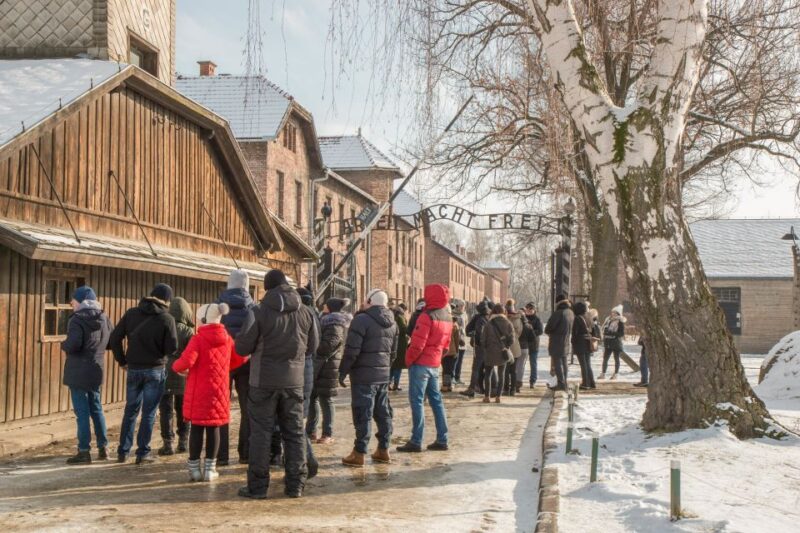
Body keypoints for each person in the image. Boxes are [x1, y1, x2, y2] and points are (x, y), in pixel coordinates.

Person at [235, 269, 318, 500]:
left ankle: (258, 487)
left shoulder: (258, 311)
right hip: (294, 382)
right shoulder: (306, 311)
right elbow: (312, 347)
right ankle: (295, 485)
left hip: (263, 382)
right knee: (294, 433)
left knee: (260, 434)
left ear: (267, 287)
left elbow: (242, 348)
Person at [172, 303, 248, 482]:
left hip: (199, 390)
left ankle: (194, 469)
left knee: (197, 428)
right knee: (214, 428)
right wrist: (224, 368)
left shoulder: (198, 339)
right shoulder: (227, 338)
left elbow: (184, 362)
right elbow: (239, 358)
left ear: (204, 320)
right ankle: (209, 470)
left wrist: (176, 367)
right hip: (219, 391)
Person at [110, 283, 178, 464]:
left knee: (130, 410)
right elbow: (172, 349)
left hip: (133, 368)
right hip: (155, 370)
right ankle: (142, 453)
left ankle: (123, 452)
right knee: (149, 413)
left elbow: (115, 338)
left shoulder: (132, 313)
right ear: (167, 300)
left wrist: (122, 361)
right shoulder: (167, 319)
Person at [339, 289, 398, 466]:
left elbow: (351, 351)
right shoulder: (393, 323)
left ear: (370, 301)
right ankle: (383, 449)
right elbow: (393, 353)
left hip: (364, 376)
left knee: (362, 413)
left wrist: (343, 371)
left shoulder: (361, 320)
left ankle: (359, 453)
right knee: (383, 412)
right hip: (383, 375)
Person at [397, 285, 453, 453]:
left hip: (421, 363)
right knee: (436, 401)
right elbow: (446, 346)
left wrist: (408, 360)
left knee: (417, 401)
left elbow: (417, 344)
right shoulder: (448, 317)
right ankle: (442, 438)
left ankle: (416, 440)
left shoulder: (426, 316)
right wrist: (437, 358)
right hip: (435, 364)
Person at [61, 286, 112, 464]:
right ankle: (103, 447)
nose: (71, 303)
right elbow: (110, 342)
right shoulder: (104, 317)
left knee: (82, 412)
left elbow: (73, 345)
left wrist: (64, 344)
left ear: (81, 300)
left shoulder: (77, 319)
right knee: (96, 408)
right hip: (96, 369)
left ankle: (84, 451)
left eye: (73, 300)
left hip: (78, 371)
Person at [216, 269, 255, 466]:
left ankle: (221, 455)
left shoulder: (217, 306)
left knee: (221, 406)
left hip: (222, 363)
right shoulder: (253, 307)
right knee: (247, 408)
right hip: (246, 361)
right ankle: (245, 453)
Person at [308, 298, 352, 444]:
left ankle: (327, 433)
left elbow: (329, 345)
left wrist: (313, 346)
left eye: (325, 305)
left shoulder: (335, 323)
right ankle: (311, 431)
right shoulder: (325, 320)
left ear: (330, 308)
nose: (323, 306)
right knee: (312, 398)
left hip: (328, 367)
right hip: (319, 365)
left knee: (326, 400)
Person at [158, 297, 194, 456]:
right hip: (183, 373)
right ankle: (183, 441)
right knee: (183, 408)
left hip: (164, 370)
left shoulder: (164, 325)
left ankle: (168, 443)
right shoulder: (188, 331)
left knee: (165, 409)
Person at [297, 286, 321, 480]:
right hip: (308, 370)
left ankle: (307, 460)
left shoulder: (301, 314)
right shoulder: (314, 315)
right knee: (298, 419)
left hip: (296, 371)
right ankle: (304, 459)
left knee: (293, 422)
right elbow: (314, 345)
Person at [480, 303, 515, 403]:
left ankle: (487, 396)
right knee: (501, 374)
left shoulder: (488, 323)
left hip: (490, 352)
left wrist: (486, 348)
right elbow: (512, 339)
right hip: (502, 351)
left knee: (488, 374)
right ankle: (498, 397)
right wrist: (506, 347)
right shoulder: (508, 323)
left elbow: (483, 339)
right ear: (504, 312)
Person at [460, 300, 491, 398]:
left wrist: (474, 336)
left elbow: (468, 330)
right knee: (488, 369)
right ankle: (488, 388)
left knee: (476, 368)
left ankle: (472, 388)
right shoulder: (490, 318)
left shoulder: (478, 318)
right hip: (489, 346)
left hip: (480, 347)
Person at [544, 294, 574, 391]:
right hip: (566, 341)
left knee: (557, 363)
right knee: (564, 362)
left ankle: (561, 384)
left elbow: (548, 328)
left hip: (556, 341)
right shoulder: (570, 312)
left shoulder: (558, 313)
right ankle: (564, 382)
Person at [572, 302, 598, 390]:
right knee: (588, 364)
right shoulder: (589, 318)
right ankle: (592, 382)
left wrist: (573, 343)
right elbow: (594, 331)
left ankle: (586, 383)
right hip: (588, 342)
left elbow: (575, 333)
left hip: (580, 343)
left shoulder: (577, 318)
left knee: (583, 364)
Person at [517, 303, 543, 390]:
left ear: (534, 310)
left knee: (533, 364)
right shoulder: (523, 318)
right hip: (523, 345)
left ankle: (532, 381)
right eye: (528, 309)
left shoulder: (537, 319)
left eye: (531, 309)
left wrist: (531, 333)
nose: (529, 311)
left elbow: (540, 331)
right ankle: (518, 381)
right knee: (521, 364)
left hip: (533, 345)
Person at [503, 300, 524, 396]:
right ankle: (513, 389)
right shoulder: (518, 319)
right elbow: (520, 332)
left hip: (505, 346)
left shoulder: (504, 319)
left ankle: (506, 389)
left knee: (506, 370)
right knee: (513, 369)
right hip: (515, 345)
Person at [600, 305, 626, 380]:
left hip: (616, 343)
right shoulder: (608, 320)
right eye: (612, 312)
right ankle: (603, 374)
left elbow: (621, 333)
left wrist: (611, 333)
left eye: (615, 312)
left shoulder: (620, 321)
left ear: (618, 314)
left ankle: (616, 374)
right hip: (608, 342)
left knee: (616, 359)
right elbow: (604, 329)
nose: (613, 314)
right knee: (605, 358)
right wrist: (606, 332)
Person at [389, 302, 409, 391]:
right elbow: (404, 329)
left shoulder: (392, 317)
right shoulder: (400, 318)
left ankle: (389, 383)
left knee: (393, 366)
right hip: (400, 344)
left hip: (393, 343)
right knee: (398, 366)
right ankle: (395, 384)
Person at [441, 315, 461, 393]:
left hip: (443, 350)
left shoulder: (442, 324)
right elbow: (457, 340)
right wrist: (457, 351)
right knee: (450, 369)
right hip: (452, 351)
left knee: (445, 368)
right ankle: (449, 385)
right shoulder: (455, 326)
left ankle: (445, 385)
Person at [451, 299, 468, 384]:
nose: (462, 307)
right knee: (454, 360)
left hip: (463, 339)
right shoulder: (452, 313)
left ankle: (458, 377)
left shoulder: (464, 315)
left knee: (460, 360)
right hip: (455, 339)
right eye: (460, 305)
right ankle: (452, 377)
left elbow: (466, 325)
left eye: (463, 306)